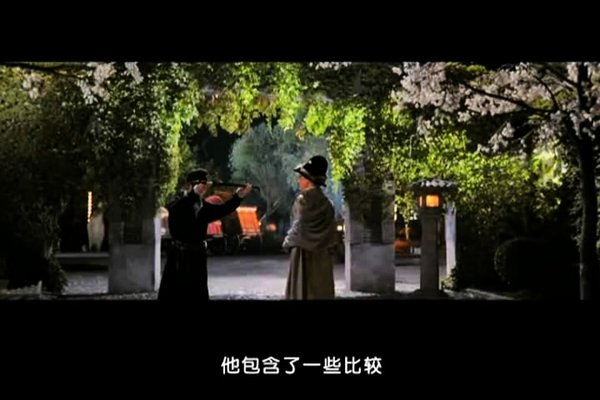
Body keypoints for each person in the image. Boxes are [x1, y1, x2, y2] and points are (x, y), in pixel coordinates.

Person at [157, 168, 252, 302]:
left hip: (198, 256)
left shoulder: (203, 206)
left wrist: (238, 197)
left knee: (198, 293)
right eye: (200, 184)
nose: (204, 189)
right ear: (190, 186)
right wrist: (193, 194)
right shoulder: (179, 204)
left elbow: (223, 209)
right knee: (176, 293)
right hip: (181, 256)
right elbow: (178, 211)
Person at [283, 155, 338, 299]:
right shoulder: (328, 204)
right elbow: (331, 234)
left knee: (301, 289)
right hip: (322, 255)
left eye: (301, 177)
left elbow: (298, 226)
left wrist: (288, 241)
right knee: (320, 290)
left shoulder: (302, 201)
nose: (299, 181)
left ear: (308, 179)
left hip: (301, 254)